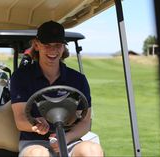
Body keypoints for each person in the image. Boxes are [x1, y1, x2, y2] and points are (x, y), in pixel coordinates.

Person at [10, 20, 103, 157]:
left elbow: (85, 122)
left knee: (92, 151)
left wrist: (66, 138)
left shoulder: (77, 79)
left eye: (58, 45)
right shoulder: (22, 76)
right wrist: (35, 126)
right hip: (34, 142)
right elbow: (20, 119)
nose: (53, 50)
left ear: (63, 47)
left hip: (69, 139)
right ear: (37, 45)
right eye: (47, 45)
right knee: (38, 154)